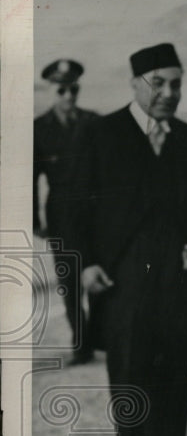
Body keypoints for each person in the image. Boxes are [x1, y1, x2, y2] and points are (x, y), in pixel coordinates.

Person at [69, 43, 187, 436]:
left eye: (177, 84)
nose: (170, 93)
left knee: (175, 356)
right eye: (160, 83)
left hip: (174, 270)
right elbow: (73, 207)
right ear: (136, 83)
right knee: (130, 361)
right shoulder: (100, 133)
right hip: (122, 272)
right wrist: (86, 265)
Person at [33, 59, 99, 365]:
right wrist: (36, 221)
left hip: (96, 213)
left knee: (99, 277)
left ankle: (100, 336)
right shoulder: (40, 129)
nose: (69, 96)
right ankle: (81, 344)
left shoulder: (94, 122)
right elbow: (31, 178)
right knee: (69, 281)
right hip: (61, 217)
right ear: (51, 91)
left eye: (74, 89)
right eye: (62, 90)